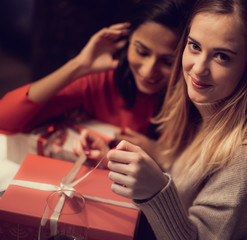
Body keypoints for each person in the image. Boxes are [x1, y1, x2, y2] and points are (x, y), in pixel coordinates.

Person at [106, 0, 247, 239]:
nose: (199, 68)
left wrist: (155, 192)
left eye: (222, 56)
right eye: (194, 46)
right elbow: (190, 186)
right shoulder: (209, 111)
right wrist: (150, 156)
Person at [0, 0, 193, 160]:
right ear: (127, 40)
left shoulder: (194, 98)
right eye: (141, 51)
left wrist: (163, 155)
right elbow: (5, 119)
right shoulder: (103, 81)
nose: (148, 70)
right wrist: (79, 65)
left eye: (168, 61)